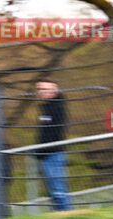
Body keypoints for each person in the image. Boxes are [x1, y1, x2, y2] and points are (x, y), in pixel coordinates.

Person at [36, 79, 72, 211]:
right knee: (53, 189)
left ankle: (66, 214)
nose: (41, 92)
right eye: (39, 89)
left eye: (45, 89)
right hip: (45, 155)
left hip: (53, 154)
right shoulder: (46, 108)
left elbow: (55, 132)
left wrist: (43, 150)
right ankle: (60, 214)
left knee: (58, 188)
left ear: (54, 90)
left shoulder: (57, 107)